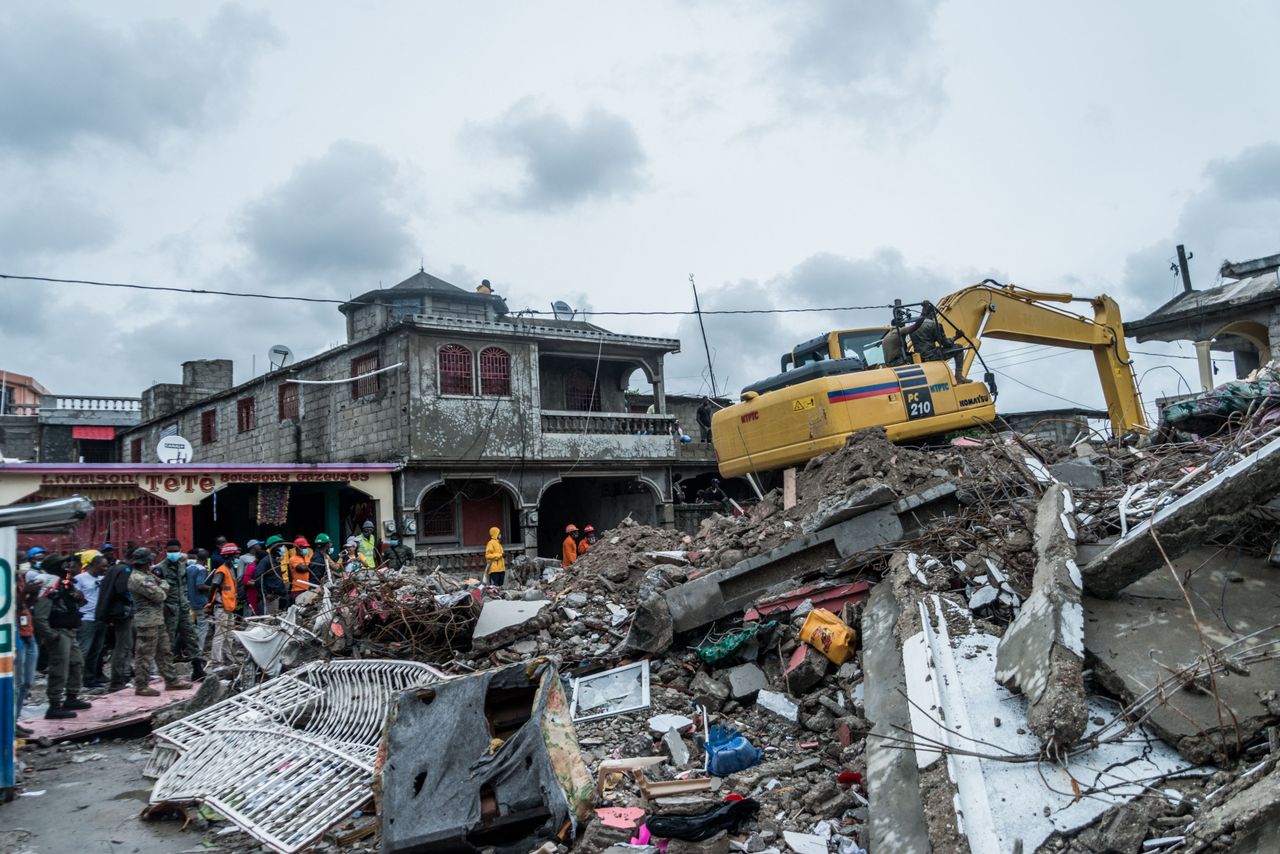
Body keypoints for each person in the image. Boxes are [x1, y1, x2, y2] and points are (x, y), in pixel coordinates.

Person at [32, 556, 92, 719]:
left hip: (70, 630)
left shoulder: (65, 585)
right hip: (59, 632)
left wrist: (79, 599)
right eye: (64, 565)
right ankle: (55, 704)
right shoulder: (50, 586)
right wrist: (51, 635)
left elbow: (75, 605)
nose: (67, 568)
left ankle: (71, 697)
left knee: (76, 663)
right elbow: (40, 616)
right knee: (60, 668)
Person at [128, 548, 190, 696]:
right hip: (147, 621)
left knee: (165, 651)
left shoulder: (146, 575)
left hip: (156, 619)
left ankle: (171, 680)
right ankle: (141, 685)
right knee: (144, 654)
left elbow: (160, 585)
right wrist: (163, 585)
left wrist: (161, 584)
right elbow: (160, 595)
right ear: (146, 562)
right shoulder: (139, 579)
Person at [96, 547, 136, 692]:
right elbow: (122, 590)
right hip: (121, 613)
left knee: (121, 645)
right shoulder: (125, 570)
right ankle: (117, 681)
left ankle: (120, 678)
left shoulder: (115, 568)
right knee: (123, 646)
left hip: (113, 612)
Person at [156, 539, 198, 665]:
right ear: (165, 552)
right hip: (169, 610)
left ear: (180, 551)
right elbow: (157, 591)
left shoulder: (182, 567)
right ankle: (168, 669)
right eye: (170, 551)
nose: (173, 553)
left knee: (191, 637)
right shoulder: (160, 569)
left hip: (184, 609)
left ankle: (197, 667)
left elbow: (184, 587)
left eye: (175, 551)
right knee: (168, 640)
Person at [74, 552, 110, 688]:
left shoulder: (103, 579)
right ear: (93, 565)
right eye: (103, 566)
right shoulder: (80, 579)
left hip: (100, 618)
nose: (105, 569)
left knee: (96, 651)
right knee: (83, 650)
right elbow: (75, 597)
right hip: (86, 618)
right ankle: (76, 680)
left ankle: (90, 678)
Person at [909, 301, 965, 379]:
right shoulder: (934, 325)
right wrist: (956, 337)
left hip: (919, 357)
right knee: (959, 348)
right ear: (932, 314)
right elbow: (946, 344)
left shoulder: (913, 326)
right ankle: (959, 377)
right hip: (931, 355)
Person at [207, 544, 240, 667]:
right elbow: (213, 588)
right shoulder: (221, 571)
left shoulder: (231, 569)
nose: (238, 557)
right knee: (220, 635)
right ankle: (216, 660)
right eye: (236, 555)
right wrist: (209, 604)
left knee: (229, 635)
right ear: (230, 556)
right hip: (221, 607)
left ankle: (228, 659)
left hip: (229, 607)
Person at [14, 572, 37, 734]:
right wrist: (25, 592)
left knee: (26, 683)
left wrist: (33, 593)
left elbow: (24, 605)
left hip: (27, 633)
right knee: (16, 684)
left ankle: (14, 721)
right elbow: (10, 607)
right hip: (16, 636)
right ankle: (10, 723)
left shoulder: (18, 577)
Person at [186, 550, 211, 681]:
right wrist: (211, 588)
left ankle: (191, 652)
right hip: (200, 603)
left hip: (189, 602)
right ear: (206, 559)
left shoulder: (189, 568)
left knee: (192, 628)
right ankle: (198, 653)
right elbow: (200, 585)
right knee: (203, 628)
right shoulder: (201, 569)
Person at [289, 537, 313, 604]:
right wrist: (312, 567)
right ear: (297, 548)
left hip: (308, 588)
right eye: (303, 548)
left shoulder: (308, 557)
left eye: (306, 548)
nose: (305, 549)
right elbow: (301, 569)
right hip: (298, 589)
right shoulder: (293, 559)